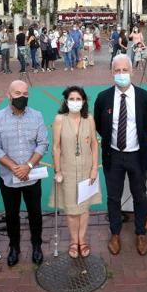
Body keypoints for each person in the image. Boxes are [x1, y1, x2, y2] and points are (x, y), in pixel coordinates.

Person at [94, 54, 147, 256]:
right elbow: (100, 125)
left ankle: (140, 232)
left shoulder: (145, 98)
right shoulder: (103, 98)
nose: (121, 74)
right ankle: (115, 233)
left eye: (125, 70)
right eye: (117, 70)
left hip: (137, 156)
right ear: (112, 72)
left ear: (132, 71)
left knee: (140, 195)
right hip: (113, 156)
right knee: (113, 197)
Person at [0, 80, 49, 267]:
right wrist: (14, 167)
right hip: (8, 178)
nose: (21, 97)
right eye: (17, 93)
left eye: (25, 93)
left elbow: (43, 144)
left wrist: (28, 166)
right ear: (9, 95)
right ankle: (15, 247)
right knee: (11, 215)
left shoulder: (37, 116)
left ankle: (36, 245)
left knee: (35, 214)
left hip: (31, 177)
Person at [50, 86, 100, 258]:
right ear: (66, 101)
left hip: (87, 170)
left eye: (78, 99)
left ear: (84, 101)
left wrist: (94, 168)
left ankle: (82, 240)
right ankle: (73, 241)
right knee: (71, 210)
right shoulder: (59, 120)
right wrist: (58, 170)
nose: (75, 102)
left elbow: (94, 143)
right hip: (67, 170)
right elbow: (56, 147)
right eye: (72, 99)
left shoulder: (89, 119)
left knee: (85, 209)